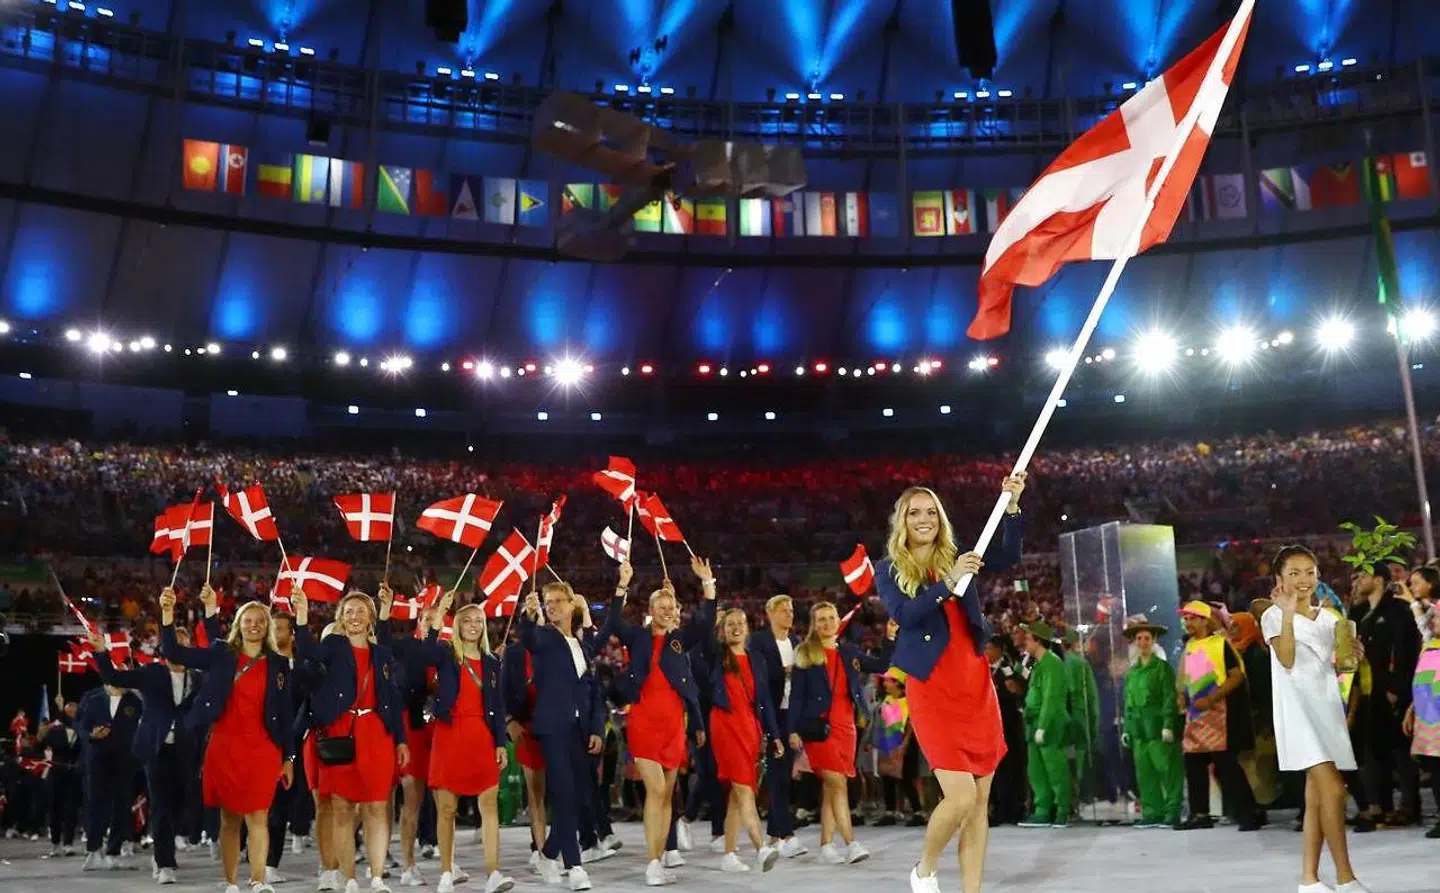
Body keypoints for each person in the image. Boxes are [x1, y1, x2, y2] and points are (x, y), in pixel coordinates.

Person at [875, 476, 1024, 893]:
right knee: (959, 798)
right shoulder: (888, 569)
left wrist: (1011, 506)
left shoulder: (959, 557)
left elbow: (1009, 554)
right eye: (914, 512)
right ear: (902, 521)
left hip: (976, 688)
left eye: (930, 512)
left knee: (978, 807)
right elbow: (905, 615)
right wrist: (947, 583)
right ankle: (925, 869)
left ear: (940, 519)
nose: (924, 519)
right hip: (933, 691)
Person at [161, 586, 303, 893]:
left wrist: (289, 758)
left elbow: (286, 711)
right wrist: (167, 614)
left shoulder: (279, 665)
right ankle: (230, 882)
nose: (254, 625)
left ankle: (258, 880)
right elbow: (174, 652)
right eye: (247, 620)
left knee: (259, 815)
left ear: (267, 627)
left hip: (265, 749)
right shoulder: (222, 656)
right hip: (225, 746)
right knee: (229, 819)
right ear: (238, 624)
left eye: (260, 621)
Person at [1263, 544, 1369, 893]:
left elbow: (1339, 667)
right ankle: (1345, 877)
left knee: (1317, 798)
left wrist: (1354, 653)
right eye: (1293, 573)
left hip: (1326, 710)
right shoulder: (1273, 616)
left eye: (1309, 572)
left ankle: (1309, 881)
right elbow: (1288, 659)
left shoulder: (1330, 619)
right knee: (1335, 790)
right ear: (1279, 578)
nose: (1303, 579)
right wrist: (1289, 613)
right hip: (1297, 714)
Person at [607, 555, 716, 886]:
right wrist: (622, 583)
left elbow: (706, 621)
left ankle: (660, 854)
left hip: (673, 726)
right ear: (650, 611)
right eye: (661, 606)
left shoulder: (679, 640)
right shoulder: (639, 637)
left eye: (672, 606)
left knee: (667, 795)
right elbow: (613, 622)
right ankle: (652, 861)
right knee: (655, 790)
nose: (667, 611)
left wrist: (707, 583)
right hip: (644, 722)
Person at [299, 590, 410, 893]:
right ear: (341, 619)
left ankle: (376, 877)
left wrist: (401, 740)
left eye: (361, 611)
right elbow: (307, 652)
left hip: (376, 734)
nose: (354, 616)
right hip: (340, 732)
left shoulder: (383, 654)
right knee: (342, 809)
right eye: (348, 611)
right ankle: (348, 878)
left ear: (370, 619)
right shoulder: (332, 646)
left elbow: (392, 698)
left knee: (376, 807)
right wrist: (301, 616)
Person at [519, 578, 620, 891]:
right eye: (548, 602)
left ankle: (549, 853)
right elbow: (529, 638)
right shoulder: (545, 637)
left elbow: (591, 693)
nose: (552, 607)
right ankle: (574, 866)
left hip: (579, 731)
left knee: (577, 799)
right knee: (563, 793)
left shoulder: (582, 644)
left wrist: (621, 588)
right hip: (553, 729)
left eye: (558, 601)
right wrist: (528, 613)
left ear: (572, 604)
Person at [91, 620, 207, 886]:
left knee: (179, 804)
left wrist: (200, 756)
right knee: (161, 804)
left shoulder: (199, 678)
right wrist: (100, 651)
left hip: (185, 750)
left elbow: (202, 719)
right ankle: (165, 862)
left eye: (184, 644)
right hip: (155, 749)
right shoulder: (151, 673)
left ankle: (165, 849)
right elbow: (113, 677)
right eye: (173, 643)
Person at [787, 602, 896, 866]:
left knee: (831, 788)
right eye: (821, 619)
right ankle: (851, 843)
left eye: (830, 618)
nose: (826, 623)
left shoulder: (848, 652)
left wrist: (890, 637)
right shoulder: (804, 653)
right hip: (819, 731)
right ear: (814, 623)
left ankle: (826, 845)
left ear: (838, 620)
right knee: (838, 785)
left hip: (847, 729)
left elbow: (881, 663)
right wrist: (792, 729)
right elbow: (797, 697)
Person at [416, 602, 513, 893]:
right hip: (449, 735)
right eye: (467, 620)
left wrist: (500, 743)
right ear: (457, 626)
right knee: (446, 809)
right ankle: (446, 872)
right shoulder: (447, 655)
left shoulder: (493, 662)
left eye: (478, 621)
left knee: (489, 806)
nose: (473, 625)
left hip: (482, 738)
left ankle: (493, 873)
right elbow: (424, 654)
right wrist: (434, 623)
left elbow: (497, 705)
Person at [707, 606, 782, 872]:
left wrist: (774, 736)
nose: (736, 628)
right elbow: (702, 635)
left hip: (750, 729)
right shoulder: (716, 656)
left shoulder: (756, 660)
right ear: (722, 631)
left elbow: (765, 703)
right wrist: (709, 603)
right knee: (743, 789)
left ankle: (728, 854)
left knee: (739, 795)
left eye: (741, 623)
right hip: (725, 726)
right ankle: (761, 847)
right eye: (730, 625)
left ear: (748, 628)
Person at [1175, 600, 1261, 832]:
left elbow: (1236, 676)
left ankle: (1248, 813)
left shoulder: (1220, 644)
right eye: (1186, 619)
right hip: (1196, 715)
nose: (1187, 623)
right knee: (1193, 763)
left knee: (1227, 766)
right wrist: (1182, 696)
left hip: (1218, 715)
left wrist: (1213, 698)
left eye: (1192, 618)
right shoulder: (1190, 647)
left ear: (1204, 620)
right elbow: (1184, 679)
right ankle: (1199, 813)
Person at [1349, 562, 1422, 826]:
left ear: (1379, 580)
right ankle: (1379, 805)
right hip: (1366, 691)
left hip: (1392, 690)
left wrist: (1398, 688)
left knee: (1400, 752)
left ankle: (1409, 806)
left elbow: (1406, 652)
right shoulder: (1357, 613)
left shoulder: (1399, 611)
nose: (1357, 579)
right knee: (1372, 750)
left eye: (1363, 575)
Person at [746, 594, 806, 857]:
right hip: (769, 714)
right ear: (770, 613)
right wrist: (785, 672)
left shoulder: (796, 643)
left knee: (784, 776)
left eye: (791, 610)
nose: (789, 614)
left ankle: (774, 833)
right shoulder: (758, 642)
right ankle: (786, 833)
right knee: (777, 776)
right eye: (783, 610)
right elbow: (758, 682)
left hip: (789, 716)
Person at [75, 670, 143, 869]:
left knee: (121, 806)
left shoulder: (134, 700)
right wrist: (91, 735)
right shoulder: (92, 698)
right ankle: (93, 850)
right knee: (96, 803)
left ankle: (113, 852)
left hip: (125, 761)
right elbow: (79, 724)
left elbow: (143, 724)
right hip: (97, 759)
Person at [1120, 615, 1183, 828]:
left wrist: (1168, 724)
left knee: (1167, 770)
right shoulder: (1133, 672)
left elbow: (1168, 698)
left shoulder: (1162, 668)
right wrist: (1127, 728)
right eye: (1139, 638)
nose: (1143, 643)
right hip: (1139, 730)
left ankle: (1172, 811)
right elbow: (1128, 702)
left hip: (1157, 727)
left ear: (1154, 640)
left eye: (1147, 638)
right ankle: (1152, 812)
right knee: (1144, 774)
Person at [1016, 621, 1071, 828]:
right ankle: (1043, 809)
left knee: (1055, 769)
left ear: (1038, 641)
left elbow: (1052, 698)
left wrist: (1044, 725)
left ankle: (1062, 810)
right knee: (1036, 771)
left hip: (1048, 724)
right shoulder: (1037, 664)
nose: (1025, 642)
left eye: (1029, 638)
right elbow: (1026, 683)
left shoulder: (1053, 664)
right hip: (1034, 723)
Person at [1401, 603, 1440, 838]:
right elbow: (1422, 680)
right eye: (1433, 617)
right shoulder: (1430, 646)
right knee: (1435, 770)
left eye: (1437, 617)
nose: (1433, 621)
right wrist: (1411, 710)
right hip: (1428, 721)